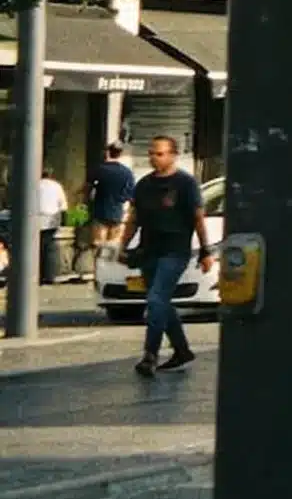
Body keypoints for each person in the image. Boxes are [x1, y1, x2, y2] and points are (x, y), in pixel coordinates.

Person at [118, 137, 212, 376]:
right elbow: (134, 219)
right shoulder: (144, 185)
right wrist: (123, 246)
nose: (153, 158)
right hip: (149, 250)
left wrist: (205, 251)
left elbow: (198, 218)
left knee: (156, 300)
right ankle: (182, 350)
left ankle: (150, 354)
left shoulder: (186, 184)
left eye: (159, 154)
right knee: (160, 302)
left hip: (175, 251)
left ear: (172, 155)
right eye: (151, 153)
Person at [82, 144, 134, 281]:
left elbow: (87, 189)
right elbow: (130, 195)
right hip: (117, 213)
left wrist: (87, 203)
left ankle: (98, 273)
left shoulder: (99, 169)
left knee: (98, 244)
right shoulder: (127, 172)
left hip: (100, 211)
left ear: (107, 152)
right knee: (113, 245)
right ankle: (111, 273)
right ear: (120, 154)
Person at [35, 168, 68, 283]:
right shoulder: (57, 186)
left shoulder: (34, 185)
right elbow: (63, 206)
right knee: (49, 246)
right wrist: (64, 221)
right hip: (52, 219)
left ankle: (37, 274)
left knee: (37, 247)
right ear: (51, 175)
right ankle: (49, 275)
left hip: (36, 218)